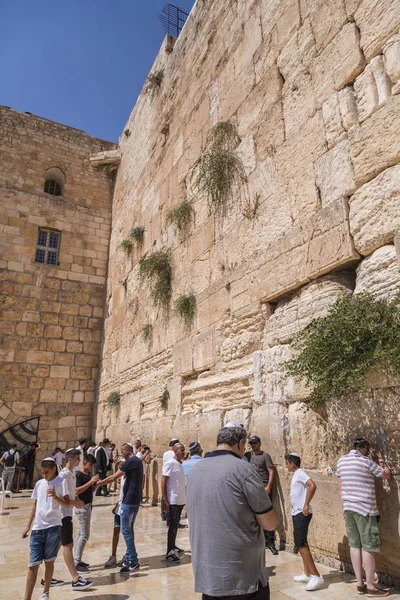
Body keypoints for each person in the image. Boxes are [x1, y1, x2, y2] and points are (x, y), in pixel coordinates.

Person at [187, 425, 276, 599]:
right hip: (242, 578)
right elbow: (270, 523)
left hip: (208, 575)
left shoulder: (196, 469)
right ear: (240, 443)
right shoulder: (243, 470)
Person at [337, 438, 391, 598]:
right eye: (368, 449)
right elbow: (386, 475)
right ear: (364, 448)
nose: (368, 452)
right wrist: (381, 460)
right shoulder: (365, 462)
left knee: (355, 545)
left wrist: (344, 505)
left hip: (349, 509)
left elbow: (340, 486)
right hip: (365, 509)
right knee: (368, 547)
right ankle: (371, 587)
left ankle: (360, 584)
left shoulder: (341, 461)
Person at [22, 457, 69, 600]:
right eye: (42, 473)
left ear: (54, 469)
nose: (44, 475)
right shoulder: (39, 484)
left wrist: (55, 497)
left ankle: (45, 593)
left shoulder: (62, 482)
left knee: (49, 562)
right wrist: (28, 526)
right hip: (38, 528)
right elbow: (35, 505)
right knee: (33, 565)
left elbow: (66, 503)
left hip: (53, 527)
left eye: (46, 472)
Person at [98, 442, 143, 573]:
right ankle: (129, 556)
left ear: (127, 451)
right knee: (129, 529)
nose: (121, 454)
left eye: (122, 451)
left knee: (125, 530)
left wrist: (98, 483)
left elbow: (113, 477)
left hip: (129, 501)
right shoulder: (137, 461)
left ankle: (133, 560)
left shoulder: (130, 461)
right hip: (133, 500)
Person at [286, 452, 324, 592]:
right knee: (301, 542)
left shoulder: (300, 473)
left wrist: (306, 504)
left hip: (302, 513)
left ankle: (316, 576)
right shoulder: (296, 474)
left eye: (287, 463)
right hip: (297, 512)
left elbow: (312, 486)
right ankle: (307, 573)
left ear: (292, 463)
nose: (286, 466)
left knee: (301, 544)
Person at [59, 449, 93, 590]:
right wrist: (75, 503)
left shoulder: (72, 474)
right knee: (68, 545)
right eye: (78, 458)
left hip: (68, 513)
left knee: (58, 545)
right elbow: (60, 498)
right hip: (62, 515)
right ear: (71, 459)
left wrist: (77, 500)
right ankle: (75, 578)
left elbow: (72, 494)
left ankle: (46, 577)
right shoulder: (64, 475)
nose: (80, 461)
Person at [244, 436, 278, 555]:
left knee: (266, 515)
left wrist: (269, 487)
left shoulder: (265, 456)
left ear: (260, 443)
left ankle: (270, 542)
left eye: (255, 443)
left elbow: (271, 471)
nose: (253, 445)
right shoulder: (248, 456)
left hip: (263, 488)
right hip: (252, 488)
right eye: (251, 443)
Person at [73, 455, 99, 573]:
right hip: (82, 507)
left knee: (80, 534)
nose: (91, 467)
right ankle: (76, 562)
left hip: (87, 506)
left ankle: (77, 559)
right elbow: (77, 490)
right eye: (90, 465)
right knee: (84, 535)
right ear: (84, 463)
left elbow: (89, 491)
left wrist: (95, 485)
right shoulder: (79, 475)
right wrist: (91, 482)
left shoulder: (87, 476)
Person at [162, 443, 187, 563]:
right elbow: (163, 480)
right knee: (172, 526)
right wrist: (165, 500)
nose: (184, 452)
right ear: (176, 451)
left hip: (180, 500)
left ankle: (173, 546)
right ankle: (169, 552)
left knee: (175, 525)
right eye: (182, 450)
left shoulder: (180, 464)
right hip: (173, 500)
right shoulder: (171, 463)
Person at [161, 439, 179, 523]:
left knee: (164, 495)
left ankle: (164, 515)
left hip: (165, 474)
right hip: (172, 476)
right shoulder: (173, 454)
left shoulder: (165, 453)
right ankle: (171, 518)